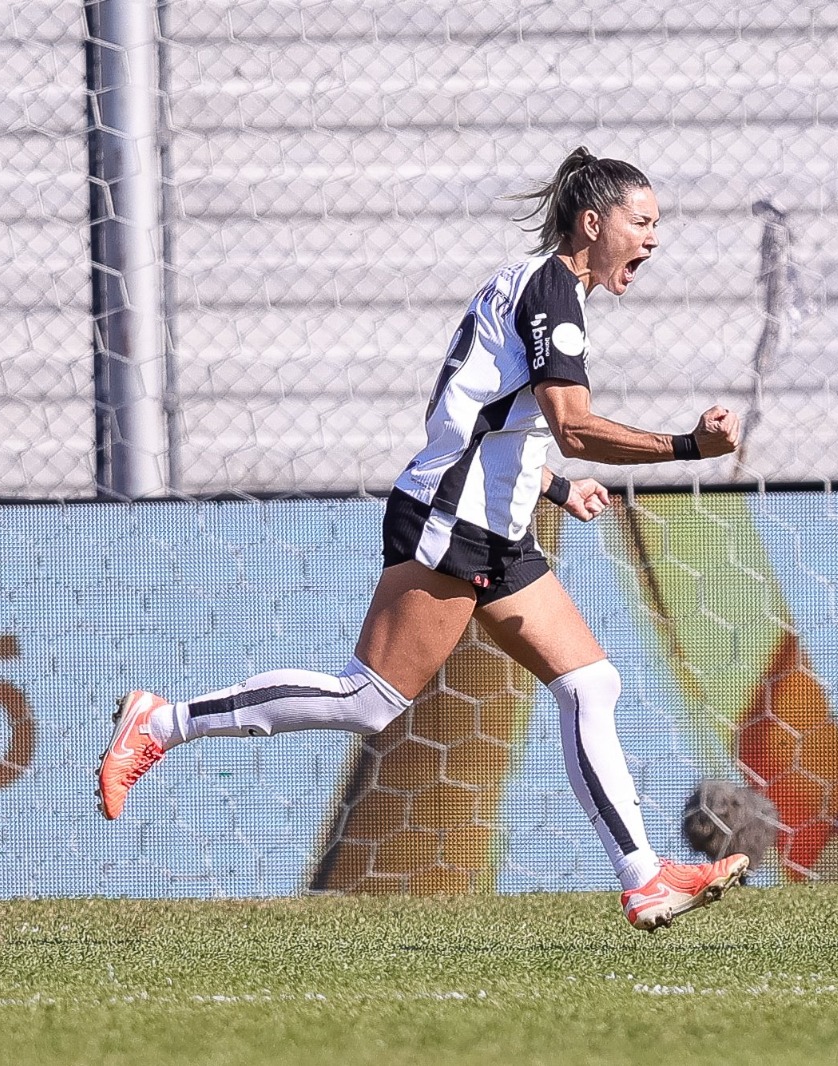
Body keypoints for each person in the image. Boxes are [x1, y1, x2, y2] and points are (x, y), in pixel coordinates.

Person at [97, 147, 750, 931]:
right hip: (454, 522)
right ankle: (161, 722)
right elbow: (571, 425)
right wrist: (687, 447)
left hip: (496, 525)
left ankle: (643, 878)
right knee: (368, 700)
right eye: (642, 222)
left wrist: (550, 486)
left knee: (590, 684)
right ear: (594, 221)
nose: (652, 240)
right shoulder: (553, 294)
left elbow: (477, 415)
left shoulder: (537, 285)